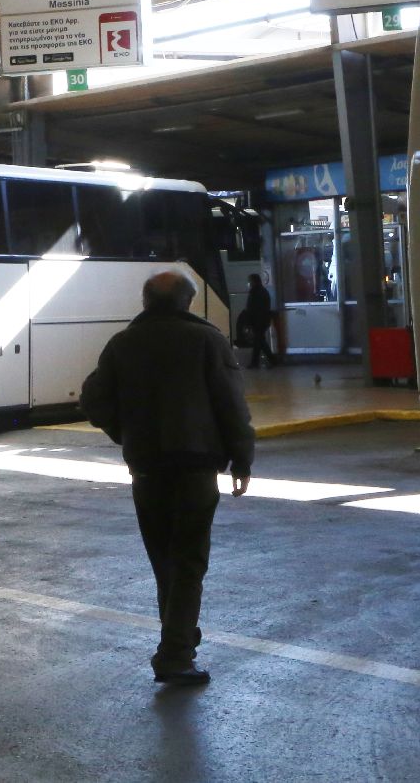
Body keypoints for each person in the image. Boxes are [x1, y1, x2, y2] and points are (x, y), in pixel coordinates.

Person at [81, 271, 254, 687]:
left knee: (165, 562)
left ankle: (179, 637)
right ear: (187, 302)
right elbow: (232, 405)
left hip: (146, 469)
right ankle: (175, 654)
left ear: (145, 302)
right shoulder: (207, 340)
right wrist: (242, 460)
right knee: (188, 562)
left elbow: (93, 400)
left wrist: (126, 433)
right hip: (195, 468)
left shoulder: (122, 343)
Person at [238, 273, 278, 369]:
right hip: (261, 321)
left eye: (250, 281)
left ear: (254, 281)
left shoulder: (256, 292)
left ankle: (264, 361)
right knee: (259, 341)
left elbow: (254, 309)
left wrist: (250, 322)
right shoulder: (261, 291)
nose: (249, 283)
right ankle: (267, 361)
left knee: (259, 341)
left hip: (258, 321)